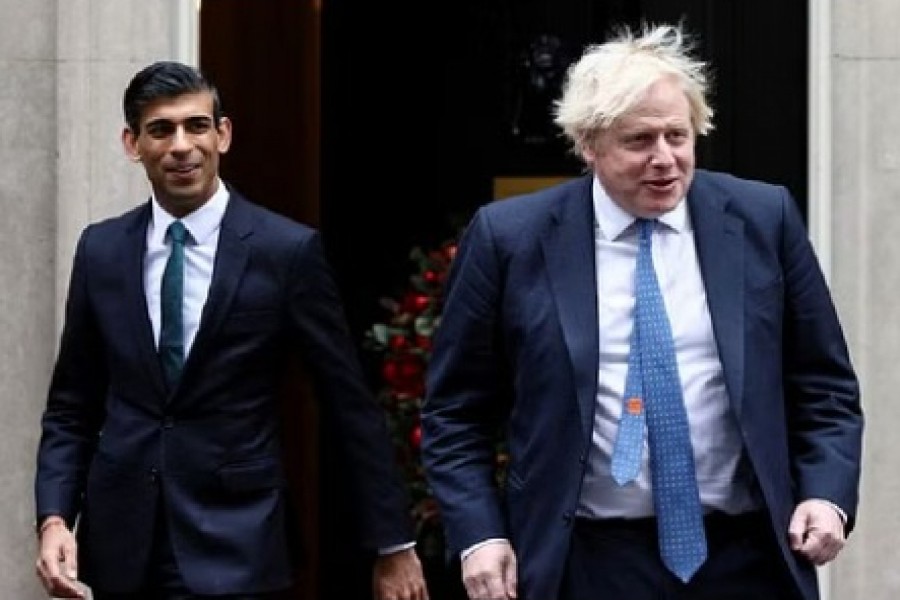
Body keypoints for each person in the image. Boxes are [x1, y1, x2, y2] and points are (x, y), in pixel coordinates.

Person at [421, 23, 862, 600]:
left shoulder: (762, 219)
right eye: (639, 141)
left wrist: (825, 496)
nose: (664, 159)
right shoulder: (511, 239)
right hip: (588, 560)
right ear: (588, 144)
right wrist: (480, 535)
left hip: (747, 556)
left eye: (678, 136)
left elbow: (824, 385)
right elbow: (455, 411)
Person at [34, 61, 428, 600]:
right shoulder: (101, 250)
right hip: (122, 546)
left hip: (238, 543)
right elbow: (72, 406)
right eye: (160, 129)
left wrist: (392, 544)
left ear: (223, 134)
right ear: (132, 144)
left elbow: (346, 403)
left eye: (196, 125)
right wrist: (55, 517)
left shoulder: (284, 251)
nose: (180, 145)